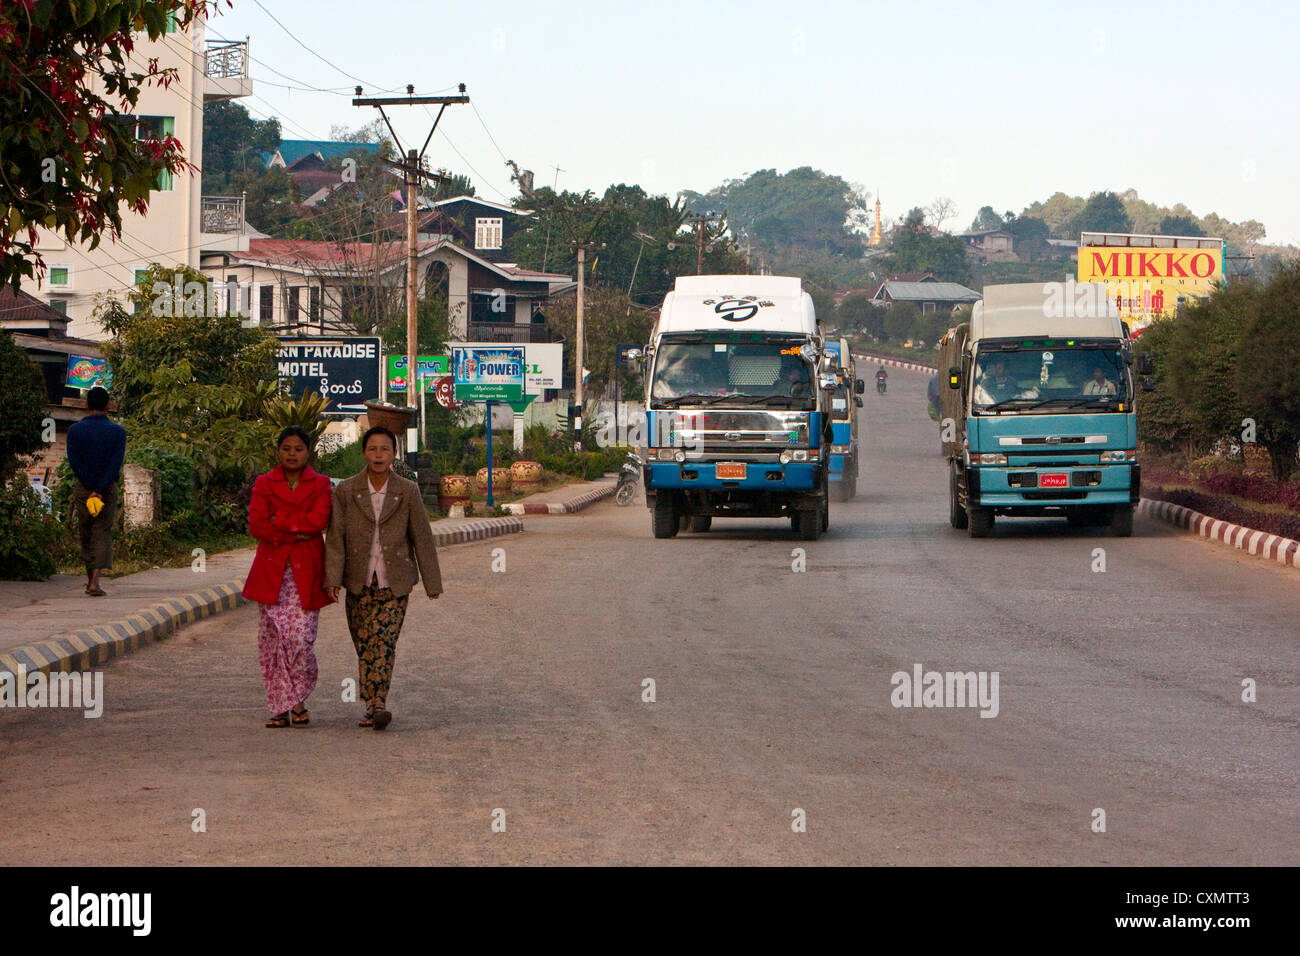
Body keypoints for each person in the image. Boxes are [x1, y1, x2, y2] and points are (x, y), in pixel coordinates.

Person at [325, 426, 442, 731]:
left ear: (394, 454)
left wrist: (432, 582)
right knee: (364, 642)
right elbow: (336, 538)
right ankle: (371, 701)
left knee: (385, 641)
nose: (378, 455)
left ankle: (378, 704)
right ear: (364, 453)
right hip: (358, 581)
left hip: (395, 582)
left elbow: (422, 537)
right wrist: (332, 579)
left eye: (385, 449)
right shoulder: (347, 490)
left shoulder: (407, 490)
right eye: (373, 449)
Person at [243, 426, 334, 728]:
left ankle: (297, 697)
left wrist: (279, 521)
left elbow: (318, 521)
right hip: (272, 572)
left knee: (299, 638)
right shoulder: (264, 483)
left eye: (298, 448)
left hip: (307, 571)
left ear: (309, 452)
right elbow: (257, 525)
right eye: (286, 448)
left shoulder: (321, 484)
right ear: (278, 451)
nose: (292, 454)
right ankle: (285, 706)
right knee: (273, 641)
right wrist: (298, 531)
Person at [65, 386, 126, 597]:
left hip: (84, 489)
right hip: (107, 489)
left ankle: (89, 577)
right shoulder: (118, 432)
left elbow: (75, 462)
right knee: (102, 532)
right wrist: (100, 489)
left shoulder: (74, 431)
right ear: (108, 405)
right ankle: (95, 582)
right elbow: (115, 463)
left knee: (86, 533)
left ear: (86, 404)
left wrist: (90, 487)